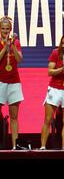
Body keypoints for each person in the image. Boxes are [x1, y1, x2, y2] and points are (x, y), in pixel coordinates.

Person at [0, 16, 24, 149]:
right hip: (0, 81)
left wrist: (13, 45)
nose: (5, 31)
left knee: (14, 116)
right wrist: (5, 47)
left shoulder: (16, 42)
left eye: (7, 29)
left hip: (14, 82)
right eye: (3, 29)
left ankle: (15, 146)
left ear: (10, 29)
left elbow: (20, 59)